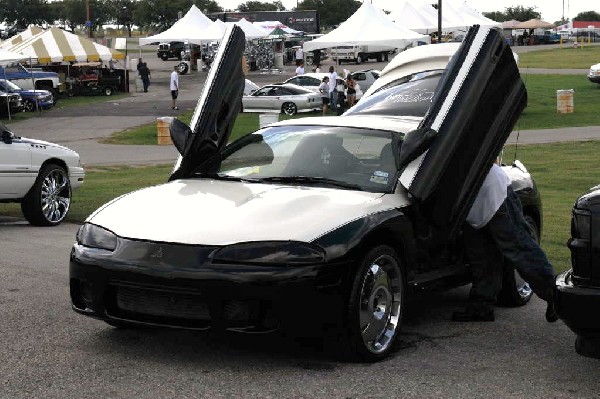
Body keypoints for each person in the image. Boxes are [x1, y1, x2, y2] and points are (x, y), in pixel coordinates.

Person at [452, 163, 558, 323]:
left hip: (494, 193)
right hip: (473, 202)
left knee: (519, 248)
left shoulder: (435, 143)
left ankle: (557, 298)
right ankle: (482, 307)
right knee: (482, 255)